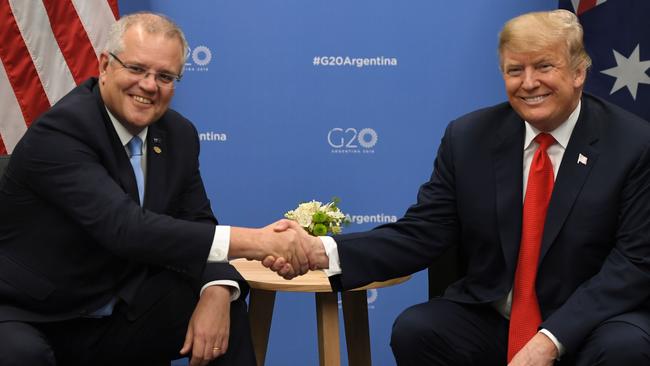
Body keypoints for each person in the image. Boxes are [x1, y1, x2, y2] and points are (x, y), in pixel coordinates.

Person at [270, 9, 650, 365]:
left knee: (624, 348)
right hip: (496, 316)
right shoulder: (469, 138)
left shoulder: (632, 144)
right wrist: (322, 252)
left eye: (544, 67)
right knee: (418, 330)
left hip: (590, 322)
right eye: (515, 70)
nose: (529, 83)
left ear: (578, 72)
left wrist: (550, 339)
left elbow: (633, 263)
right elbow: (422, 233)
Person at [0, 12, 309, 366]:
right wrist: (260, 242)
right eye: (136, 69)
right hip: (31, 313)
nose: (149, 85)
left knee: (225, 306)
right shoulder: (63, 130)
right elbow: (126, 229)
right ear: (104, 65)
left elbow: (197, 221)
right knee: (22, 355)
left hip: (117, 310)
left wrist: (218, 289)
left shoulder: (179, 135)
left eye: (165, 76)